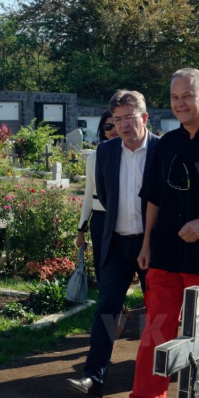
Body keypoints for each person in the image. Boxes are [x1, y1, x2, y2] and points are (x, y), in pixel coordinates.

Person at [104, 68, 199, 398]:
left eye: (187, 95)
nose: (180, 103)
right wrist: (147, 243)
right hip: (166, 251)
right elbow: (153, 196)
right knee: (156, 329)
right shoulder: (165, 144)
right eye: (174, 98)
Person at [66, 91, 159, 398]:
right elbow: (103, 195)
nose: (122, 125)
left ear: (144, 118)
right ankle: (94, 376)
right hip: (115, 244)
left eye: (129, 118)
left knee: (155, 312)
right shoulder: (105, 152)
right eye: (117, 119)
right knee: (107, 310)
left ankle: (153, 377)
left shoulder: (162, 149)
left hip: (152, 245)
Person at [76, 111, 118, 280]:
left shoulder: (131, 155)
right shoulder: (94, 157)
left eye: (116, 124)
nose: (113, 129)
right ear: (103, 130)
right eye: (108, 126)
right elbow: (88, 194)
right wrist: (81, 229)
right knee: (102, 263)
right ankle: (109, 303)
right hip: (101, 218)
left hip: (124, 218)